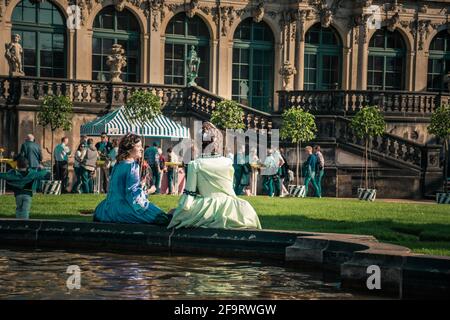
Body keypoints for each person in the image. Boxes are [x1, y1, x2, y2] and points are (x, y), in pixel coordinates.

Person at [167, 122, 261, 230]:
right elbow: (230, 191)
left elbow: (189, 196)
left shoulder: (195, 164)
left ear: (200, 144)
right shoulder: (228, 162)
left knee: (171, 213)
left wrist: (179, 212)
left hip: (205, 207)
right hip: (231, 207)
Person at [94, 133, 171, 225]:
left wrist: (140, 187)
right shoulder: (132, 166)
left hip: (108, 208)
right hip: (123, 209)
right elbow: (134, 198)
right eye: (138, 146)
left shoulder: (118, 164)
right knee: (162, 216)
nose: (142, 149)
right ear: (130, 149)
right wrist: (148, 191)